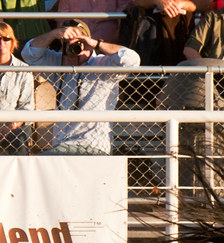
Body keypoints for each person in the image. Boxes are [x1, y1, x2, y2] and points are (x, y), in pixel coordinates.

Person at [22, 19, 141, 155]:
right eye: (67, 45)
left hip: (93, 143)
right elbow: (29, 54)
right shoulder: (59, 64)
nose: (72, 50)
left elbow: (132, 61)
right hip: (61, 143)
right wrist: (54, 34)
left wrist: (96, 44)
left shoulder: (103, 65)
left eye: (78, 45)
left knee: (40, 163)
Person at [0, 21, 33, 155]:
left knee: (19, 136)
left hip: (13, 125)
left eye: (6, 38)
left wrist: (9, 128)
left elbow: (27, 107)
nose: (2, 42)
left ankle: (21, 175)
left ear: (12, 42)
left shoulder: (24, 70)